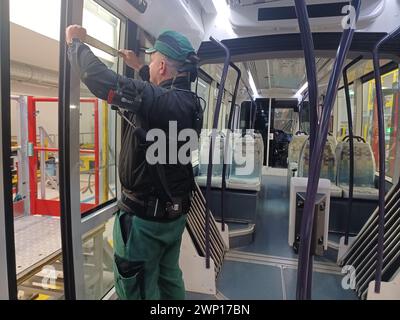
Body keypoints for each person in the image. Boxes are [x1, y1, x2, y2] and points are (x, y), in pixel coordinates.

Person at [66, 25, 202, 300]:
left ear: (162, 66)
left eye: (153, 62)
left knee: (135, 286)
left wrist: (75, 44)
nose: (150, 67)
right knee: (168, 276)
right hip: (173, 215)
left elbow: (100, 79)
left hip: (145, 221)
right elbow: (155, 92)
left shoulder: (162, 102)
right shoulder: (190, 102)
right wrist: (139, 65)